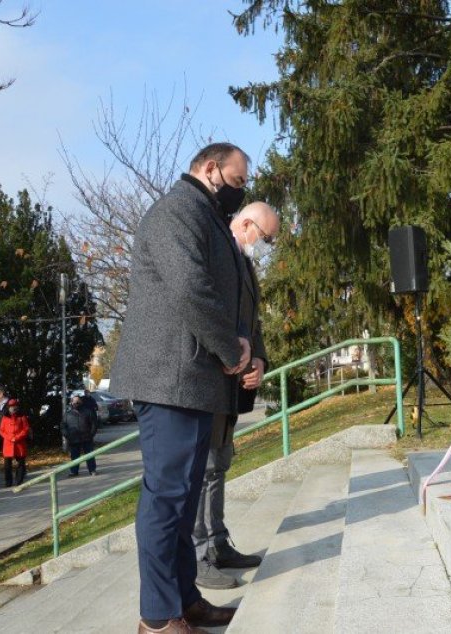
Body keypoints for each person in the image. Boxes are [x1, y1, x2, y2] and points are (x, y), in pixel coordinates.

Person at [110, 142, 251, 634]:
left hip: (192, 380)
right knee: (166, 499)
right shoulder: (176, 210)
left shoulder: (204, 213)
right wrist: (233, 353)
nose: (241, 191)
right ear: (210, 169)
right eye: (237, 181)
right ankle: (155, 616)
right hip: (169, 378)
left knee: (184, 499)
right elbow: (192, 288)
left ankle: (184, 600)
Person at [193, 202, 278, 589]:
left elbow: (251, 322)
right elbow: (202, 312)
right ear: (245, 224)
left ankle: (218, 541)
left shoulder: (244, 262)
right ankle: (198, 555)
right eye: (266, 237)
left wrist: (257, 358)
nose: (267, 245)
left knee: (220, 463)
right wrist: (232, 354)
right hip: (207, 376)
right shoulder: (212, 252)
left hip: (232, 381)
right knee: (203, 468)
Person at [62, 395, 98, 477]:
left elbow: (94, 424)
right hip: (74, 439)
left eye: (78, 402)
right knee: (74, 456)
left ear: (81, 402)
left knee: (89, 455)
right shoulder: (67, 414)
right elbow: (63, 426)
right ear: (71, 403)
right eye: (74, 402)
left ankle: (92, 470)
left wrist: (91, 434)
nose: (76, 404)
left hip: (87, 438)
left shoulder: (88, 412)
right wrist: (67, 435)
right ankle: (74, 471)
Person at [0, 399, 29, 487]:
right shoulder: (5, 418)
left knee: (21, 462)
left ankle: (19, 480)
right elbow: (1, 430)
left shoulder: (22, 417)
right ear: (8, 408)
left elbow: (26, 429)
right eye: (11, 407)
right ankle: (8, 482)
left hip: (19, 443)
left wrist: (17, 437)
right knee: (7, 464)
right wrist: (9, 438)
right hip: (8, 443)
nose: (13, 408)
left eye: (15, 406)